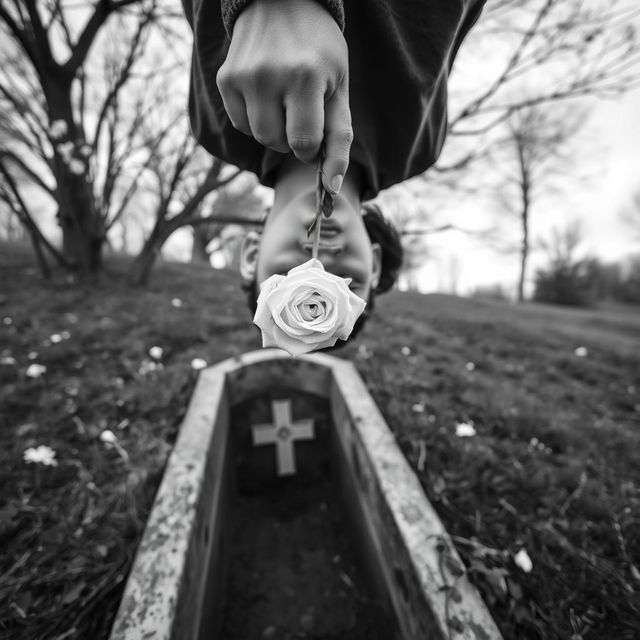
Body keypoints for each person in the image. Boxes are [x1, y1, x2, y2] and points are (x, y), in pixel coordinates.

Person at [181, 0, 485, 336]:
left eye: (286, 274)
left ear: (252, 255)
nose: (319, 264)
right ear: (375, 266)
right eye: (347, 283)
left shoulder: (218, 122)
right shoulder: (420, 143)